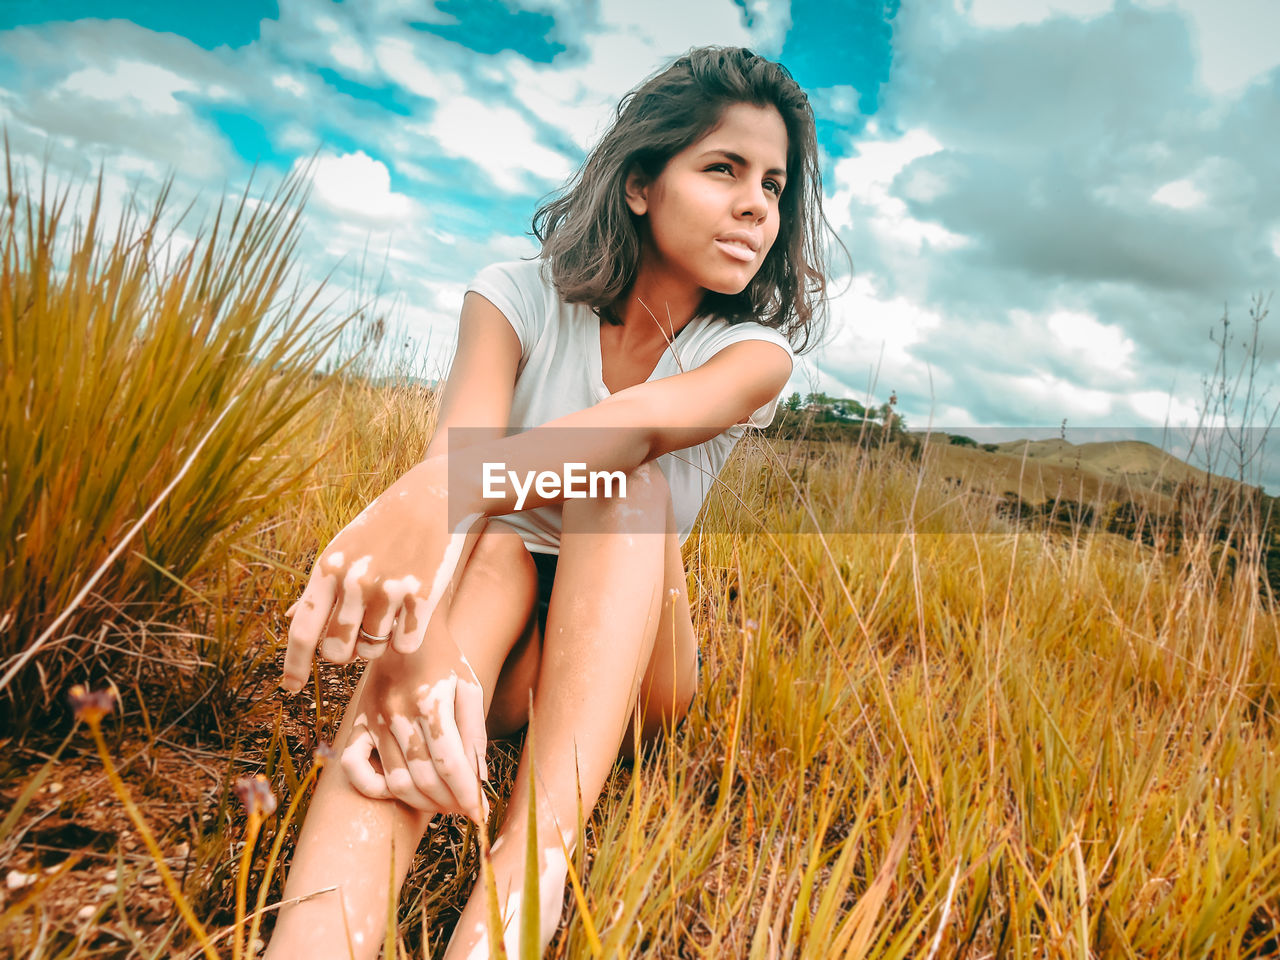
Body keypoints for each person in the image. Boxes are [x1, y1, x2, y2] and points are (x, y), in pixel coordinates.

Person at [265, 44, 843, 959]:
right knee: (480, 567)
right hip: (494, 613)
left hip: (635, 644)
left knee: (622, 489)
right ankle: (313, 940)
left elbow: (633, 427)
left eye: (774, 185)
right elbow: (460, 456)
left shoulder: (753, 354)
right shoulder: (515, 297)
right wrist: (413, 654)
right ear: (641, 184)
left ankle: (530, 862)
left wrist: (444, 491)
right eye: (723, 168)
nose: (756, 207)